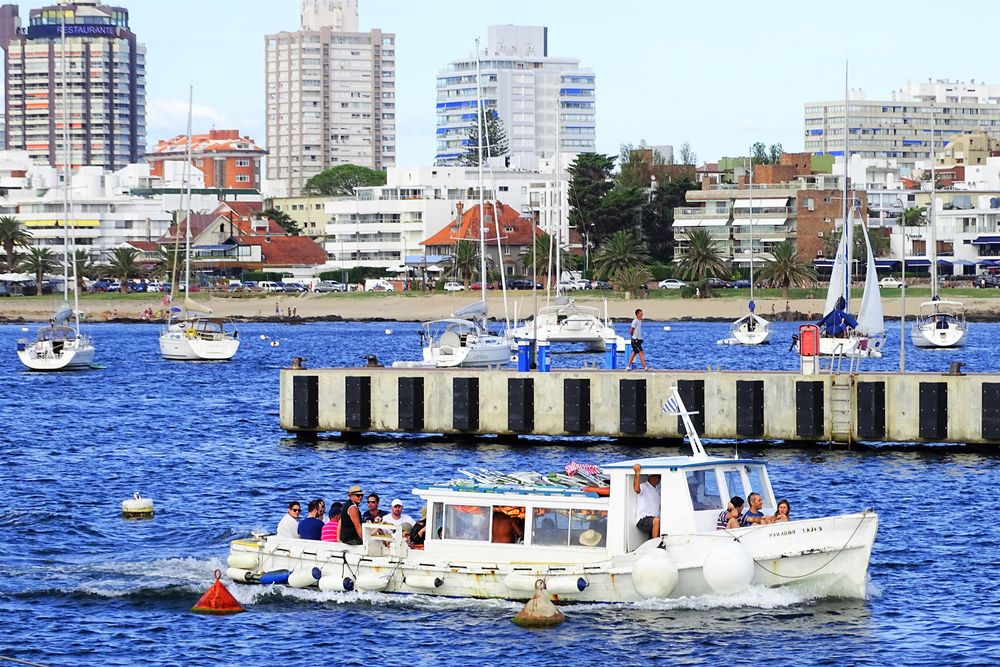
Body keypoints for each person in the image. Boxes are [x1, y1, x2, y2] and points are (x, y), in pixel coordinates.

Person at [632, 463, 661, 539]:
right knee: (657, 521)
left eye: (659, 477)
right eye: (657, 477)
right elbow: (636, 489)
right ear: (650, 477)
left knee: (662, 520)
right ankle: (655, 544)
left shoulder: (658, 489)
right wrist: (637, 472)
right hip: (642, 519)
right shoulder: (643, 486)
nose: (659, 479)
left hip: (653, 519)